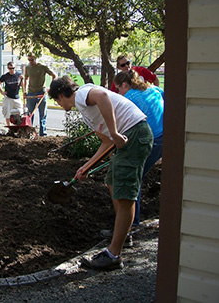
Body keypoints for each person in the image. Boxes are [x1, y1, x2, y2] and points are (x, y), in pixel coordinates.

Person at [48, 75, 153, 270]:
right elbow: (106, 143)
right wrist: (86, 167)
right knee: (112, 181)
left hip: (133, 134)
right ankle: (123, 234)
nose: (58, 104)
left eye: (56, 100)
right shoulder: (85, 108)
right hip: (128, 137)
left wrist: (114, 132)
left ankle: (113, 255)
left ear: (61, 95)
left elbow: (103, 95)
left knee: (125, 195)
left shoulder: (81, 95)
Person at [114, 70, 164, 227]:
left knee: (134, 178)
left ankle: (131, 224)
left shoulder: (129, 98)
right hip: (166, 136)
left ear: (124, 84)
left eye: (119, 88)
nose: (119, 93)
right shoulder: (153, 89)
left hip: (153, 139)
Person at [23, 53, 56, 136]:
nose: (30, 62)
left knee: (42, 114)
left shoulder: (42, 67)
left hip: (41, 92)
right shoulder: (27, 68)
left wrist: (51, 87)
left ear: (35, 58)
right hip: (31, 93)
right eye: (29, 60)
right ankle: (29, 133)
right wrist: (24, 91)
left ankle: (43, 134)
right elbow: (26, 79)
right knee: (30, 114)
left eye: (32, 60)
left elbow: (54, 75)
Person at [0, 61, 24, 126]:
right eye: (10, 68)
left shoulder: (18, 74)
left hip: (17, 97)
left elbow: (22, 85)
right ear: (8, 68)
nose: (11, 70)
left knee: (20, 111)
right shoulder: (5, 76)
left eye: (13, 68)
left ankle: (18, 126)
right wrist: (1, 92)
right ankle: (9, 127)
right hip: (8, 97)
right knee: (7, 113)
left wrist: (23, 81)